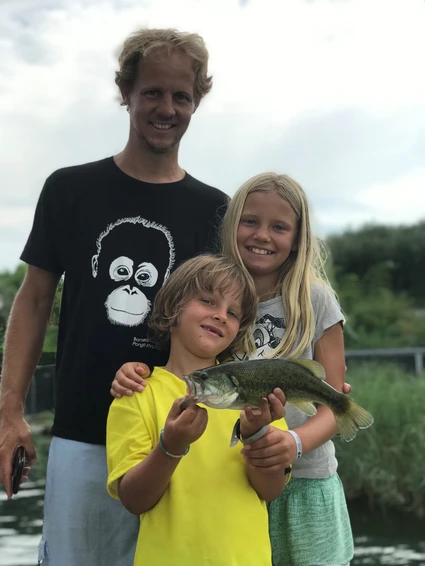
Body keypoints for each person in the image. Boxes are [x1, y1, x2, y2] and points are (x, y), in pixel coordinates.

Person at [0, 28, 229, 566]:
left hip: (177, 437)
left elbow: (227, 323)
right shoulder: (68, 189)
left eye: (181, 96)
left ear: (197, 102)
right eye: (152, 91)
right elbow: (33, 301)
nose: (165, 107)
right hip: (82, 434)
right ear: (126, 92)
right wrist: (9, 411)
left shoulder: (216, 209)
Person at [112, 172, 354, 566]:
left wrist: (292, 443)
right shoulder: (216, 293)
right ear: (231, 224)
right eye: (250, 221)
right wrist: (134, 370)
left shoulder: (316, 298)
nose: (262, 235)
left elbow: (336, 398)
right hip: (232, 482)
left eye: (279, 227)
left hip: (307, 479)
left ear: (297, 238)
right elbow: (187, 365)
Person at [106, 254, 290, 566]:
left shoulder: (256, 394)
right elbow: (134, 500)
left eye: (233, 313)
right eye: (208, 301)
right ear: (171, 308)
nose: (221, 316)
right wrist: (171, 447)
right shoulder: (135, 393)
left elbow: (271, 490)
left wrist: (257, 435)